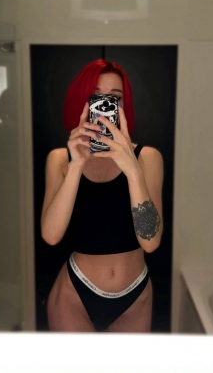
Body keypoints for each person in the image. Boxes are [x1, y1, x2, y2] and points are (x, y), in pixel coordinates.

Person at [41, 59, 164, 332]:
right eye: (96, 97)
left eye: (115, 99)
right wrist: (76, 165)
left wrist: (132, 169)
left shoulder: (147, 158)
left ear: (124, 107)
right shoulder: (60, 159)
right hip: (75, 294)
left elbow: (151, 241)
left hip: (135, 297)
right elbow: (51, 235)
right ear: (84, 104)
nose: (106, 107)